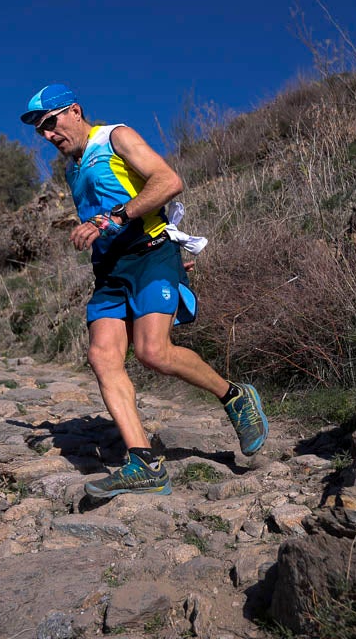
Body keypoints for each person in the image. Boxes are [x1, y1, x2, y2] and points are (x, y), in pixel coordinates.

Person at [20, 83, 269, 498]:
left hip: (151, 253)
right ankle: (144, 463)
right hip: (111, 271)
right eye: (39, 131)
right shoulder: (71, 169)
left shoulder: (116, 137)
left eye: (50, 123)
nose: (47, 135)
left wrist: (109, 219)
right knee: (101, 356)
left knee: (152, 352)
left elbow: (168, 181)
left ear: (75, 111)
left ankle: (235, 396)